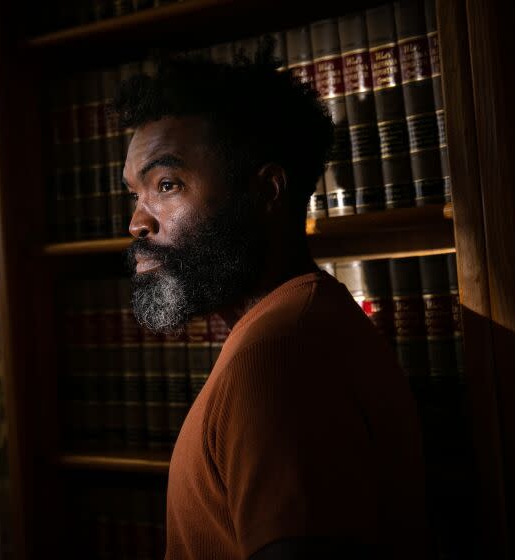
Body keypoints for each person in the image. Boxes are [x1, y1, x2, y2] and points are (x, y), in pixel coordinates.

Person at [115, 45, 425, 560]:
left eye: (166, 185)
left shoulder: (279, 356)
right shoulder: (300, 325)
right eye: (135, 193)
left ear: (266, 191)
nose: (137, 223)